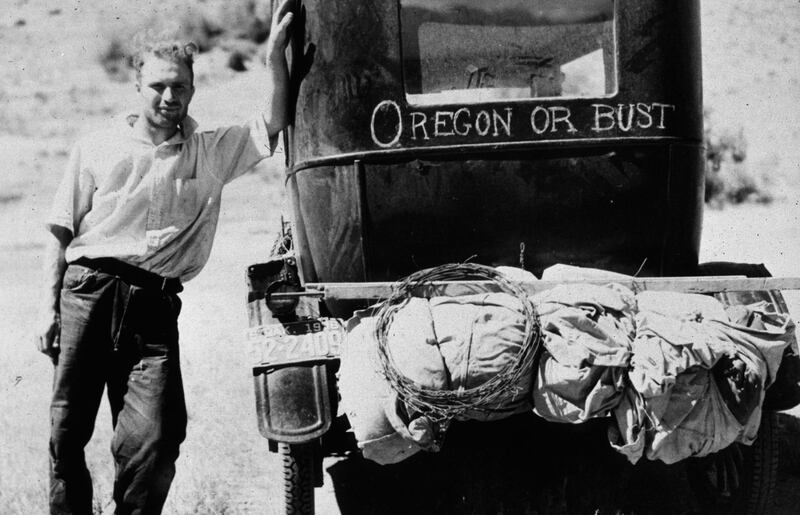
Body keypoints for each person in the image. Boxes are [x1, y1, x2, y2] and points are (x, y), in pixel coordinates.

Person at [33, 1, 295, 513]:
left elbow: (275, 121)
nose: (169, 96)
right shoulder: (97, 145)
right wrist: (46, 309)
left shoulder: (210, 151)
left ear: (193, 89)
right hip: (89, 293)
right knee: (67, 432)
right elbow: (60, 232)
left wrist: (274, 59)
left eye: (180, 86)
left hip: (153, 310)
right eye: (158, 85)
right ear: (137, 85)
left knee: (154, 441)